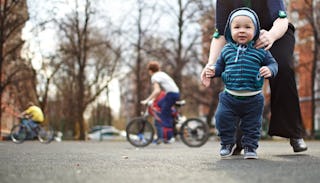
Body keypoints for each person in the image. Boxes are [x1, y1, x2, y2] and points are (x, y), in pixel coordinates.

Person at [201, 0, 307, 154]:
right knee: (238, 69)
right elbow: (221, 33)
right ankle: (238, 139)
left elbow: (281, 19)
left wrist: (270, 36)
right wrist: (210, 64)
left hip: (274, 32)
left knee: (281, 66)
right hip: (241, 34)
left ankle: (293, 133)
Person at [208, 7, 278, 159]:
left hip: (253, 98)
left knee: (252, 125)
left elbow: (274, 64)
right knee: (221, 118)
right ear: (230, 30)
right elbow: (219, 67)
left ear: (256, 30)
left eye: (247, 27)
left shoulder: (261, 49)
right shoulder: (226, 50)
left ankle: (250, 147)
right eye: (237, 27)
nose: (242, 31)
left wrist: (269, 69)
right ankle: (226, 143)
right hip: (229, 97)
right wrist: (213, 70)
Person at [141, 61, 180, 143]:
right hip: (174, 93)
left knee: (164, 115)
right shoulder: (162, 74)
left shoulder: (154, 77)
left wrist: (147, 100)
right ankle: (171, 120)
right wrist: (153, 100)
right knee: (159, 105)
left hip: (171, 94)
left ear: (150, 71)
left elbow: (157, 90)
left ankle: (169, 137)